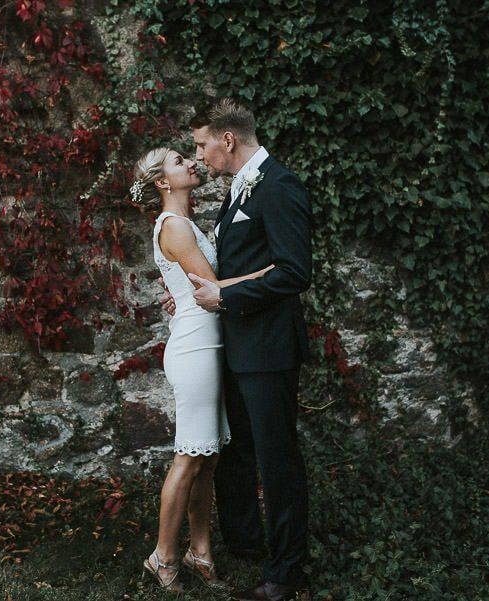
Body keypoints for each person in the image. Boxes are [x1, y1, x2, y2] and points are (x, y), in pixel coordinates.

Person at [186, 98, 313, 601]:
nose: (198, 155)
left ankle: (285, 574)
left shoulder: (278, 187)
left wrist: (227, 295)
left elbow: (293, 271)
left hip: (269, 350)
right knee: (236, 453)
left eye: (201, 144)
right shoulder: (238, 190)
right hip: (236, 347)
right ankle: (246, 544)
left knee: (277, 460)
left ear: (228, 139)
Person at [131, 147, 272, 593]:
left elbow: (195, 283)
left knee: (207, 457)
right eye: (179, 160)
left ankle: (201, 552)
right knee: (190, 454)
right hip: (194, 347)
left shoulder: (186, 224)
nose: (191, 162)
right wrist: (268, 275)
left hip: (210, 343)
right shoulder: (173, 226)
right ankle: (164, 557)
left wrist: (182, 291)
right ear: (162, 182)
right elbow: (212, 285)